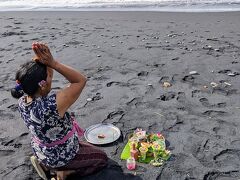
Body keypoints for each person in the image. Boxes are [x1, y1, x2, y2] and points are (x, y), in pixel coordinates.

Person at [11, 42, 108, 180]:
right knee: (101, 158)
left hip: (42, 150)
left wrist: (46, 62)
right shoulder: (52, 105)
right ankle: (64, 173)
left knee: (85, 145)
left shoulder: (23, 102)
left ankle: (44, 165)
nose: (51, 76)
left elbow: (41, 79)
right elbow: (80, 80)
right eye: (49, 76)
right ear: (42, 85)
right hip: (60, 156)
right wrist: (54, 63)